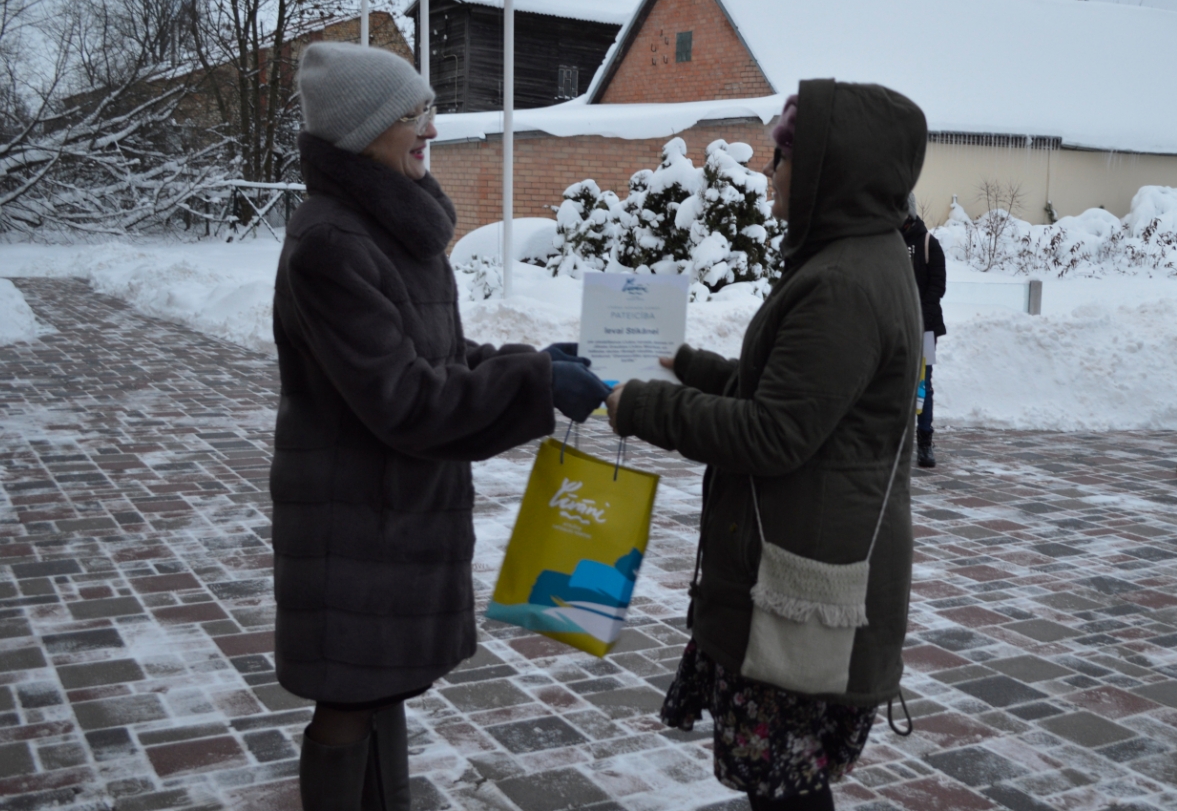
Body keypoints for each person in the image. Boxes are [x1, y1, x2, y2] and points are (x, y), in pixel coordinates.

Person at [273, 42, 610, 810]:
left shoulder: (391, 229)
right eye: (411, 114)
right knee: (349, 693)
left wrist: (536, 359)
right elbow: (405, 398)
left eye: (428, 108)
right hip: (353, 515)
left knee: (380, 683)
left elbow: (444, 355)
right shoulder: (332, 243)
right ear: (363, 131)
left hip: (394, 506)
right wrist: (534, 387)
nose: (431, 125)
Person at [604, 81, 925, 811]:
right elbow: (788, 394)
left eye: (782, 162)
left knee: (786, 785)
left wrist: (647, 408)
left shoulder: (843, 283)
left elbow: (772, 433)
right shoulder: (851, 259)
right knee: (785, 781)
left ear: (824, 175)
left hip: (804, 579)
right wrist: (688, 368)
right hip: (801, 553)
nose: (768, 176)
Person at [901, 201, 946, 468]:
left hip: (926, 330)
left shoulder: (930, 243)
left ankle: (925, 442)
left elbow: (937, 287)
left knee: (924, 385)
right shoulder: (887, 242)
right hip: (894, 327)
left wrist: (920, 318)